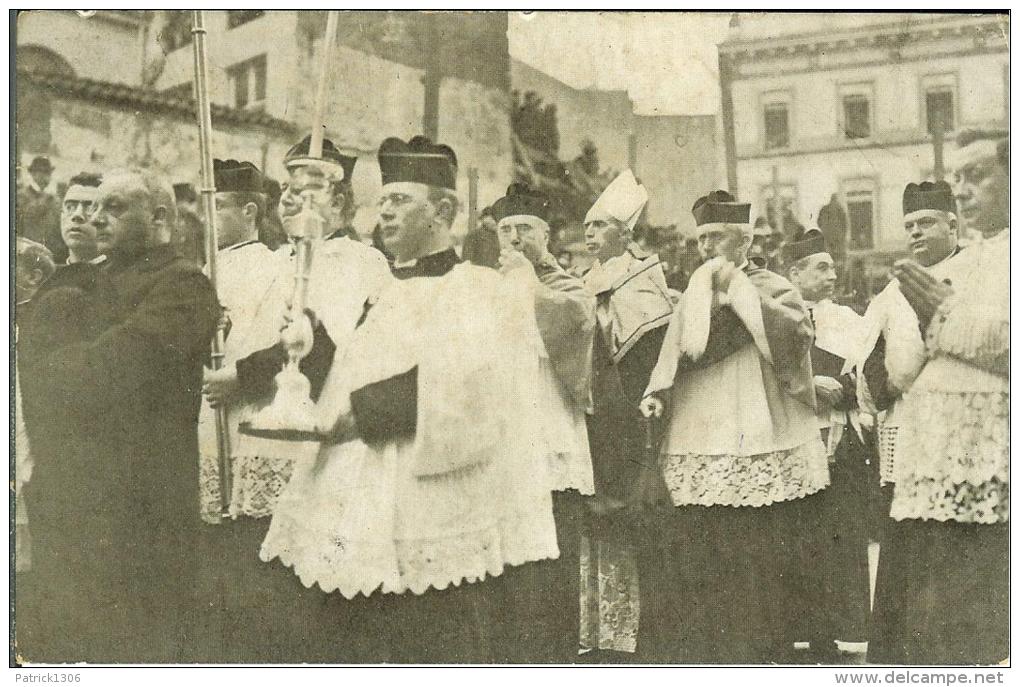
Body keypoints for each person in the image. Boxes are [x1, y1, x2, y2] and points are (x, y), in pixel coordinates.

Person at [258, 135, 558, 664]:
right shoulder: (383, 285)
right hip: (356, 488)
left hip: (428, 491)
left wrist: (365, 412)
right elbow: (356, 361)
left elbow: (473, 384)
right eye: (382, 202)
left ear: (443, 210)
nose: (384, 214)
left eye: (399, 201)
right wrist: (314, 337)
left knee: (427, 637)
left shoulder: (481, 288)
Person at [18, 168, 220, 663]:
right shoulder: (82, 280)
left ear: (159, 217)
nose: (95, 217)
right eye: (93, 206)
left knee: (140, 639)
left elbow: (121, 366)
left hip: (144, 501)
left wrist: (50, 366)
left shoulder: (183, 284)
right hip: (76, 496)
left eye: (115, 208)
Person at [200, 140, 391, 663]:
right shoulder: (274, 259)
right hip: (246, 427)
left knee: (291, 592)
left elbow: (322, 348)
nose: (288, 200)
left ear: (339, 202)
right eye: (286, 188)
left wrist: (240, 375)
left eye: (307, 190)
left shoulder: (355, 261)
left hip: (309, 431)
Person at [639, 190, 827, 663]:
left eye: (716, 236)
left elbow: (796, 336)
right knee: (707, 541)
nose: (706, 247)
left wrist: (740, 295)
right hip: (700, 424)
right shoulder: (692, 293)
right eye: (701, 238)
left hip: (760, 419)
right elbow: (671, 355)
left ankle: (762, 648)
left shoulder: (772, 285)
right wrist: (656, 392)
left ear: (743, 240)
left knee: (759, 542)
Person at [869, 131, 1009, 665]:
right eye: (958, 179)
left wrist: (944, 315)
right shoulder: (971, 259)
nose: (963, 190)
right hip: (938, 468)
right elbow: (908, 368)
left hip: (992, 469)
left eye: (978, 175)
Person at [491, 182, 596, 662]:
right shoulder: (490, 281)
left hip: (551, 431)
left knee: (554, 552)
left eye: (525, 229)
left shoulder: (566, 283)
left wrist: (525, 285)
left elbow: (576, 320)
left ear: (547, 234)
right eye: (505, 229)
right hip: (502, 432)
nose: (514, 239)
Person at [579, 170, 673, 659]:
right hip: (594, 413)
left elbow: (648, 356)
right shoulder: (587, 282)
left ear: (626, 233)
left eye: (599, 226)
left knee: (630, 512)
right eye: (587, 227)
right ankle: (596, 628)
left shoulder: (642, 283)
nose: (589, 234)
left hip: (629, 413)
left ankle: (636, 631)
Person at [779, 229, 873, 660]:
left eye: (833, 266)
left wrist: (847, 386)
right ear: (795, 272)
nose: (832, 274)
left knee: (840, 533)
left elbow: (870, 372)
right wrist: (809, 386)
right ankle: (796, 627)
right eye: (821, 266)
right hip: (792, 436)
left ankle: (835, 630)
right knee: (796, 536)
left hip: (839, 439)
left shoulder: (848, 319)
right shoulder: (778, 314)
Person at [856, 181, 963, 530]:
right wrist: (891, 385)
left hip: (960, 420)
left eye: (926, 222)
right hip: (907, 421)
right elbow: (870, 358)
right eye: (909, 226)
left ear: (952, 225)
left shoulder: (976, 272)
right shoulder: (889, 293)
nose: (915, 232)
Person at [17, 156, 63, 261]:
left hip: (50, 251)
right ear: (33, 174)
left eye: (48, 173)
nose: (45, 177)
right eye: (41, 172)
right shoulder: (21, 195)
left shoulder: (54, 198)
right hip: (28, 250)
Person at [59, 172, 102, 265]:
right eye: (70, 207)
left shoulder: (121, 278)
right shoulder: (50, 276)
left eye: (90, 208)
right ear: (61, 214)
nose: (77, 215)